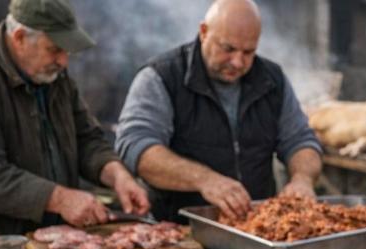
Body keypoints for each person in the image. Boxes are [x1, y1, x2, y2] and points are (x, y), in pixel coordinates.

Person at [0, 0, 149, 242]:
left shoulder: (53, 75)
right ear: (19, 37)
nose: (63, 61)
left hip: (42, 242)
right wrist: (60, 199)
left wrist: (117, 175)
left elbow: (86, 138)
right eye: (54, 49)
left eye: (66, 51)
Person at [115, 0, 323, 222]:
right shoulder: (162, 77)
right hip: (179, 230)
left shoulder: (272, 80)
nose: (238, 62)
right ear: (204, 32)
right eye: (228, 49)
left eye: (248, 52)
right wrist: (204, 179)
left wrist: (302, 179)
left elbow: (300, 141)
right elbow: (135, 147)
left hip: (256, 229)